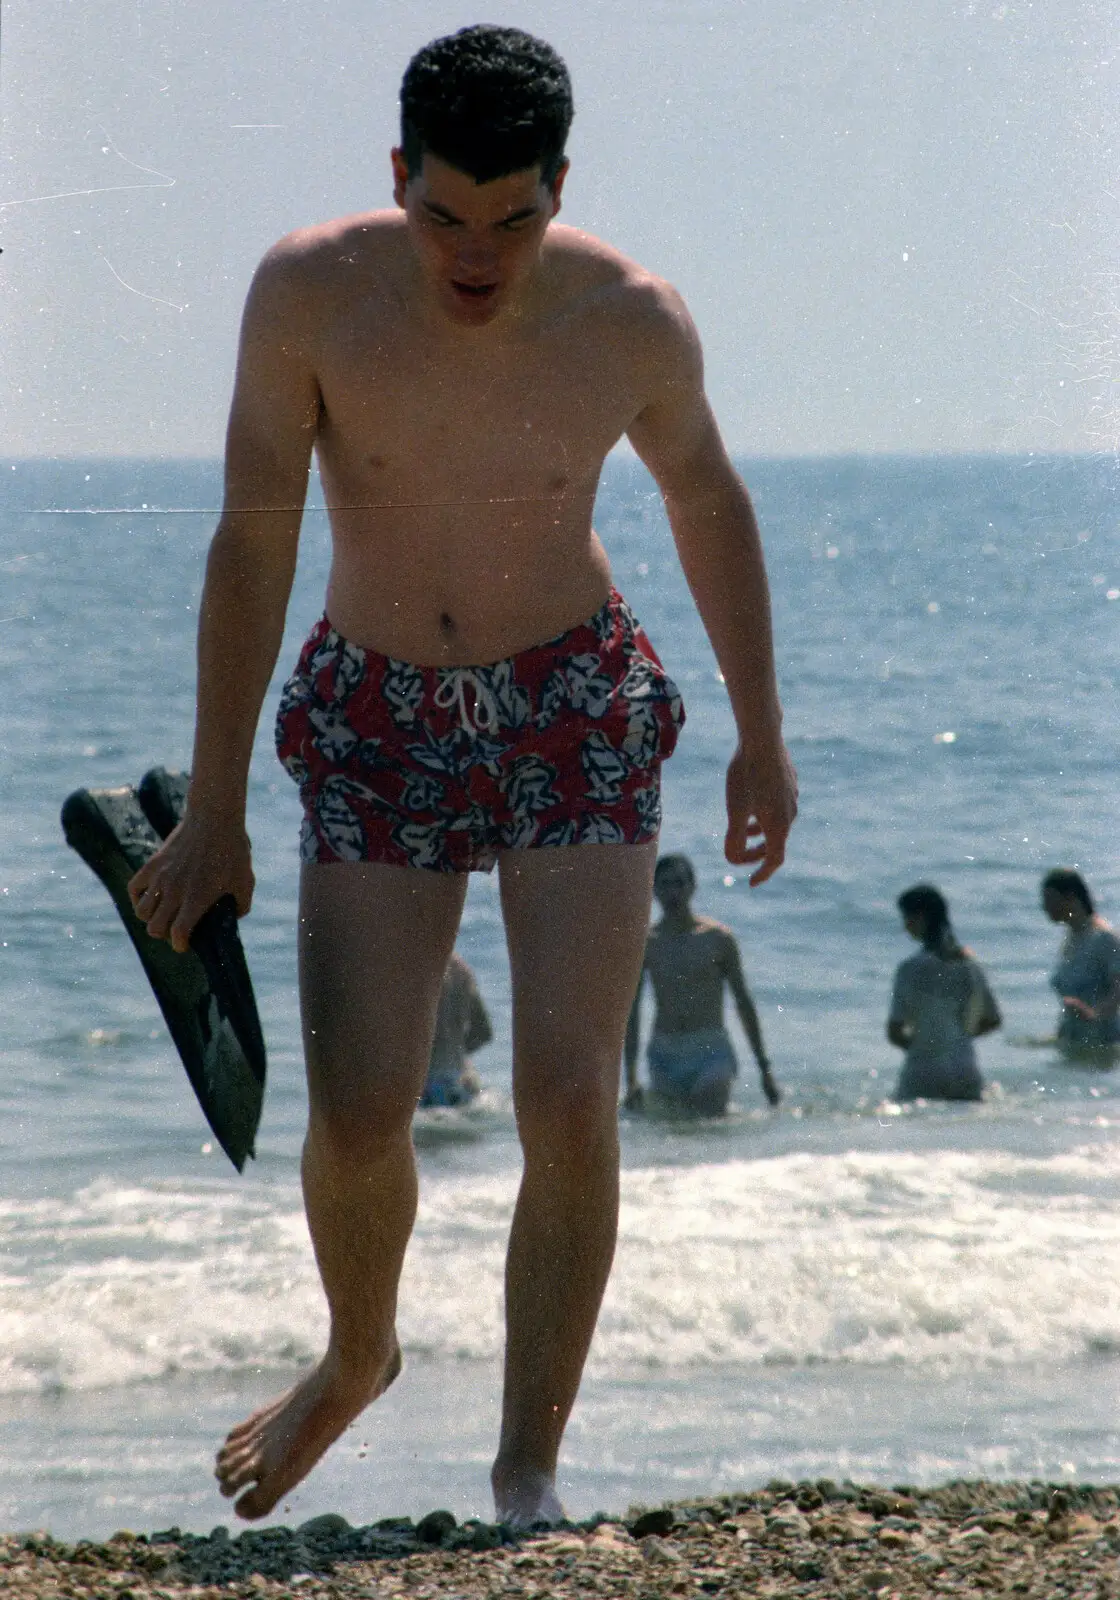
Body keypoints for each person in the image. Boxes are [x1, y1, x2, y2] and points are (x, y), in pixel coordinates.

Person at [126, 25, 797, 1528]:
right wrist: (221, 806)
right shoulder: (309, 295)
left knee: (567, 1097)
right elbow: (252, 539)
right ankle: (357, 1355)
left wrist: (761, 729)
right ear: (396, 181)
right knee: (361, 1114)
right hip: (374, 716)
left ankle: (527, 1468)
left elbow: (708, 496)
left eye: (513, 219)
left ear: (561, 188)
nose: (474, 254)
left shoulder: (631, 319)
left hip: (573, 700)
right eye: (443, 215)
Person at [624, 854, 780, 1114]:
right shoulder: (647, 944)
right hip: (664, 1051)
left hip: (710, 1050)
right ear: (653, 890)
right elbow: (632, 1011)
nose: (673, 893)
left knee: (709, 1119)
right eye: (664, 885)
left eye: (679, 883)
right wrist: (630, 1077)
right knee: (674, 1133)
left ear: (693, 886)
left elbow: (743, 1002)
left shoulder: (718, 939)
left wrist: (764, 1069)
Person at [887, 884, 1000, 1102]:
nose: (905, 925)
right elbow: (992, 1020)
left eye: (907, 917)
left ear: (920, 917)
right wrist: (958, 1039)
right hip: (964, 1068)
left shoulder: (909, 969)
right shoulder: (969, 965)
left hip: (923, 1070)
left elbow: (895, 1031)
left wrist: (924, 1043)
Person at [1040, 869, 1120, 1056]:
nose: (1044, 906)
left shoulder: (1104, 938)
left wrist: (1094, 1014)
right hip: (1072, 1040)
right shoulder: (1071, 938)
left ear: (1071, 897)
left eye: (1049, 899)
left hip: (1103, 1043)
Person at [419, 951, 492, 1107]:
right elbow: (484, 1033)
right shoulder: (462, 969)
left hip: (422, 1088)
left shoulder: (406, 970)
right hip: (463, 1083)